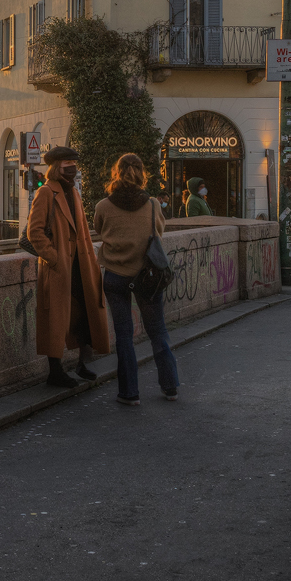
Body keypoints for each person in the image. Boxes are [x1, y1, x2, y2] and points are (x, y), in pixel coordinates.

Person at [93, 152, 177, 405]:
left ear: (116, 173)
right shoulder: (152, 205)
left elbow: (99, 229)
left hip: (116, 277)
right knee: (158, 331)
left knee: (124, 336)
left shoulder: (103, 206)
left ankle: (129, 393)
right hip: (147, 277)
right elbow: (159, 232)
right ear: (142, 173)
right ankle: (170, 386)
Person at [26, 145, 111, 389]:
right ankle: (55, 371)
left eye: (75, 166)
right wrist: (55, 259)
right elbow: (35, 233)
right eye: (68, 166)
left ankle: (82, 363)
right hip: (60, 267)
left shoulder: (73, 193)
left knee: (85, 312)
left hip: (81, 265)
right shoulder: (46, 193)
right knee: (56, 319)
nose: (73, 170)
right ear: (56, 168)